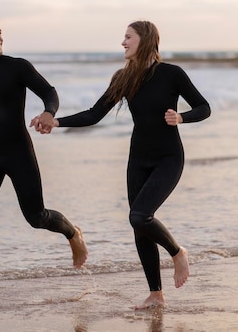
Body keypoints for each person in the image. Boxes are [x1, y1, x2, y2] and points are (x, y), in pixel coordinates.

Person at [32, 20, 210, 309]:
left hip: (168, 158)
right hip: (138, 159)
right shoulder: (123, 78)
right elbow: (93, 114)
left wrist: (181, 117)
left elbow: (204, 107)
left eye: (128, 37)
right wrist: (57, 122)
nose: (123, 42)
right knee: (139, 225)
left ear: (146, 40)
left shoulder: (171, 74)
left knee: (140, 216)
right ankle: (156, 294)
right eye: (124, 37)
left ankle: (178, 253)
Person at [0, 13, 88, 311]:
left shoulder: (16, 67)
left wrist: (49, 113)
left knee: (36, 217)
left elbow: (48, 92)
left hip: (18, 152)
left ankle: (72, 232)